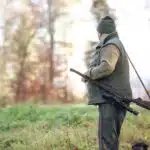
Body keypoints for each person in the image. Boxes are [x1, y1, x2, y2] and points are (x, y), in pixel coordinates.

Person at [82, 16, 132, 150]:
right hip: (114, 98)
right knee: (110, 140)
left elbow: (107, 67)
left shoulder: (110, 44)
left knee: (107, 141)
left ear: (100, 32)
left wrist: (89, 73)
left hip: (112, 99)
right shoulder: (115, 43)